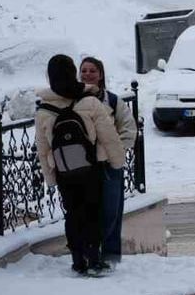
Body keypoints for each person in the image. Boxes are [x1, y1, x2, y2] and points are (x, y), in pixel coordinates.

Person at [35, 54, 125, 275]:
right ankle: (94, 259)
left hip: (64, 170)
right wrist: (117, 162)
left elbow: (43, 148)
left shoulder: (44, 110)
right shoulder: (89, 101)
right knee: (92, 211)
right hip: (89, 167)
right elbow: (109, 136)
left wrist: (50, 177)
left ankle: (77, 260)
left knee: (73, 213)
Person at [80, 56, 137, 264]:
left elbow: (129, 128)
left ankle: (111, 255)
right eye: (84, 70)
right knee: (87, 212)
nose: (87, 74)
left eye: (92, 70)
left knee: (112, 210)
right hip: (82, 166)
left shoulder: (112, 100)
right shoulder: (73, 99)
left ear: (101, 74)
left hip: (108, 165)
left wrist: (115, 151)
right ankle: (88, 254)